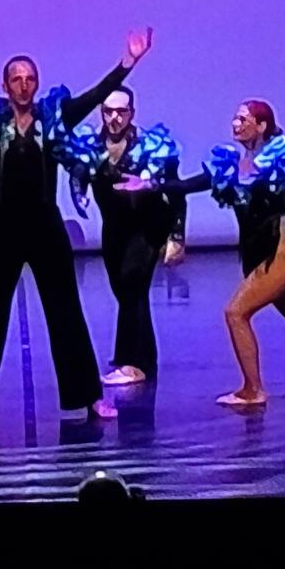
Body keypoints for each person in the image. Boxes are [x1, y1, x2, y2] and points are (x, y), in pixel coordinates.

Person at [0, 29, 155, 424]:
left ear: (37, 84)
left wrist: (128, 62)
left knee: (66, 311)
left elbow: (91, 96)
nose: (23, 85)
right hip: (2, 230)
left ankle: (89, 399)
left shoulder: (53, 116)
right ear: (4, 85)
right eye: (16, 79)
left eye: (30, 79)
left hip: (46, 227)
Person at [118, 99, 285, 406]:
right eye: (235, 118)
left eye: (243, 119)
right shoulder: (231, 165)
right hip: (255, 251)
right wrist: (148, 184)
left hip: (281, 249)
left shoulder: (283, 160)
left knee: (236, 313)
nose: (235, 124)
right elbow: (187, 185)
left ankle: (253, 390)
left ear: (262, 125)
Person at [66, 88, 184, 386]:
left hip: (149, 227)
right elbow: (77, 173)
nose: (115, 118)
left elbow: (176, 190)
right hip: (114, 229)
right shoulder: (91, 146)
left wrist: (177, 236)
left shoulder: (152, 146)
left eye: (121, 111)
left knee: (133, 286)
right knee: (126, 293)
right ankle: (135, 354)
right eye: (108, 111)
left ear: (132, 112)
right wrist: (78, 193)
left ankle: (136, 365)